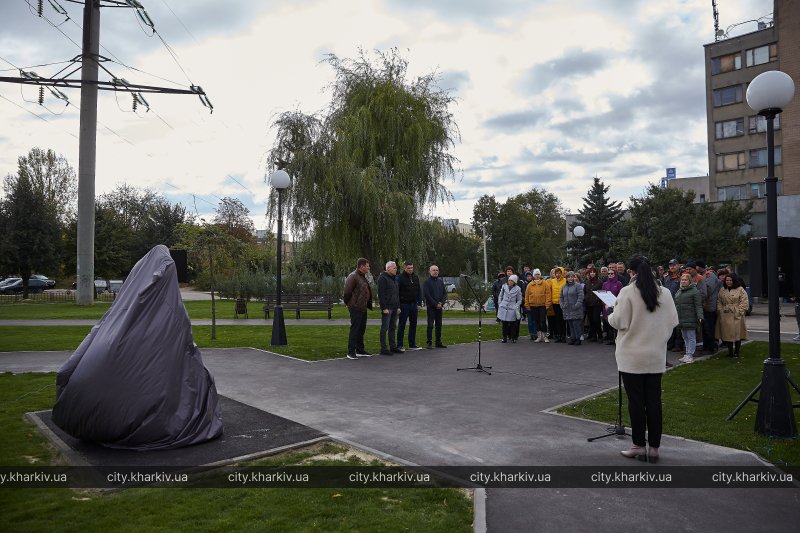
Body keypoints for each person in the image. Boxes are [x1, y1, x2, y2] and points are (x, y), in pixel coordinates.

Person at [608, 255, 678, 463]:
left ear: (631, 272)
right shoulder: (664, 293)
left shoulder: (627, 292)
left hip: (631, 356)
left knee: (636, 402)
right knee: (654, 402)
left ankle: (638, 445)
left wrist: (610, 312)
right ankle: (654, 448)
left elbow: (619, 321)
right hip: (655, 355)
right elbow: (673, 321)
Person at [342, 258, 373, 359]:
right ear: (362, 266)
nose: (368, 268)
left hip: (362, 307)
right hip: (355, 307)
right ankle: (351, 352)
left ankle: (360, 350)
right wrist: (349, 303)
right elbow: (346, 292)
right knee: (355, 329)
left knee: (361, 329)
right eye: (367, 266)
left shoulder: (362, 276)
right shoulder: (353, 276)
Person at [716, 273, 748, 358]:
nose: (728, 282)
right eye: (727, 280)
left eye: (730, 280)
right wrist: (720, 310)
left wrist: (739, 311)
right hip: (725, 314)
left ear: (734, 280)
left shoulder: (740, 289)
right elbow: (719, 301)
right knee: (727, 334)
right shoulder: (722, 289)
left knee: (738, 334)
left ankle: (736, 352)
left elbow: (744, 302)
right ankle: (730, 353)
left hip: (736, 314)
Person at [674, 272, 703, 364]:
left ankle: (690, 355)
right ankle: (687, 354)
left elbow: (698, 305)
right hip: (681, 318)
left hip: (691, 318)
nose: (683, 281)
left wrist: (700, 316)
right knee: (685, 337)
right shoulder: (679, 291)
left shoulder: (695, 291)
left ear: (689, 281)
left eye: (685, 280)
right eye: (682, 280)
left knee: (691, 337)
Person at [397, 261, 423, 351]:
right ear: (404, 268)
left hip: (413, 305)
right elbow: (396, 292)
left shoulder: (415, 277)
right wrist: (398, 306)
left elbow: (419, 290)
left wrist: (419, 303)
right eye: (408, 268)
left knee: (413, 325)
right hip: (404, 304)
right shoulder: (400, 278)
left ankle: (412, 344)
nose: (410, 269)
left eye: (411, 268)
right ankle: (399, 345)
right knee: (402, 325)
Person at [377, 261, 402, 355]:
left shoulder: (394, 279)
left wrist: (398, 306)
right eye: (394, 268)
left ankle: (393, 346)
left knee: (392, 327)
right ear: (388, 268)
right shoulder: (383, 278)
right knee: (385, 328)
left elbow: (397, 294)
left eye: (396, 268)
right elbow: (381, 294)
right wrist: (384, 308)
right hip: (387, 308)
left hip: (395, 307)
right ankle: (383, 348)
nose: (396, 269)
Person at [699, 266, 722, 354]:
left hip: (709, 306)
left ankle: (712, 347)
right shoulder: (702, 276)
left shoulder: (709, 275)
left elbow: (708, 290)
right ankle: (706, 346)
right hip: (705, 306)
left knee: (709, 328)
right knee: (705, 328)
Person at [423, 265, 447, 348]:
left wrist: (441, 303)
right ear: (430, 271)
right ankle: (429, 342)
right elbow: (427, 295)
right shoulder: (427, 282)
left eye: (437, 270)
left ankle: (438, 342)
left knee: (439, 325)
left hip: (439, 307)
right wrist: (435, 304)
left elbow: (444, 294)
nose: (435, 271)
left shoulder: (440, 282)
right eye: (433, 270)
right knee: (430, 325)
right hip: (431, 307)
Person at [525, 269, 550, 342]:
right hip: (533, 305)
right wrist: (527, 305)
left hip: (542, 305)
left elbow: (548, 294)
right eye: (536, 274)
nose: (537, 276)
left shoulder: (545, 283)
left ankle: (545, 336)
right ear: (533, 276)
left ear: (540, 275)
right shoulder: (530, 285)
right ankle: (539, 336)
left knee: (543, 321)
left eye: (538, 274)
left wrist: (547, 304)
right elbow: (527, 295)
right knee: (536, 321)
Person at [560, 271, 584, 345]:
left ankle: (578, 339)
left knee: (576, 324)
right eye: (568, 277)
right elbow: (561, 297)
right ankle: (572, 338)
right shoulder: (564, 286)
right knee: (570, 325)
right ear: (566, 278)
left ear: (574, 277)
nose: (570, 278)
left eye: (572, 276)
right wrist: (562, 305)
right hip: (567, 309)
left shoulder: (578, 285)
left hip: (575, 308)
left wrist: (577, 305)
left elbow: (581, 296)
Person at [497, 274, 523, 343]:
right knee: (504, 324)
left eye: (511, 280)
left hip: (512, 308)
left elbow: (520, 300)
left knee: (513, 324)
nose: (510, 281)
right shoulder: (504, 286)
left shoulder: (518, 289)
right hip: (504, 307)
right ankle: (504, 337)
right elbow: (500, 295)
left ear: (514, 281)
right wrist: (500, 303)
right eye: (509, 280)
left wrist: (516, 306)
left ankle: (513, 337)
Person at [601, 270, 623, 345]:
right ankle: (611, 338)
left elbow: (621, 295)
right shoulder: (605, 284)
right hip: (606, 306)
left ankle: (617, 338)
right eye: (608, 273)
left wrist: (616, 303)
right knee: (608, 321)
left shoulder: (618, 283)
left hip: (615, 305)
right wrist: (605, 304)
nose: (610, 275)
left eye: (612, 273)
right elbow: (603, 294)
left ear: (615, 274)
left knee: (615, 322)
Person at [583, 267, 604, 342]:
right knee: (591, 320)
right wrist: (586, 298)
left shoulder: (599, 282)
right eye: (591, 272)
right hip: (588, 303)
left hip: (597, 304)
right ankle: (594, 336)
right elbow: (585, 292)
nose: (592, 273)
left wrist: (597, 300)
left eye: (593, 272)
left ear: (596, 273)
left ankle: (600, 336)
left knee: (596, 319)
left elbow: (602, 292)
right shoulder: (587, 282)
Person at [548, 267, 567, 342]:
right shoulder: (552, 281)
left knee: (563, 320)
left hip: (563, 303)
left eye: (559, 273)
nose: (558, 274)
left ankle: (563, 336)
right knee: (557, 320)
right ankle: (559, 336)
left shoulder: (565, 281)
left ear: (562, 273)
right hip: (555, 303)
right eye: (556, 273)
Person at [521, 271, 536, 339]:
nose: (529, 277)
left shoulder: (534, 283)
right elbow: (523, 294)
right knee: (529, 321)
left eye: (530, 276)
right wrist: (526, 302)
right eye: (527, 276)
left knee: (534, 320)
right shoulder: (524, 284)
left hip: (534, 304)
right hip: (528, 304)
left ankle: (535, 333)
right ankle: (531, 333)